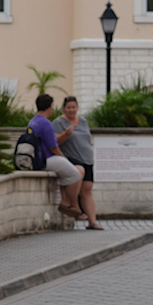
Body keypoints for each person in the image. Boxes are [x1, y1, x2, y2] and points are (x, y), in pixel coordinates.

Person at [30, 95, 84, 217]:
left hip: (36, 158)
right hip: (46, 159)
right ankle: (68, 203)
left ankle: (67, 202)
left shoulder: (33, 121)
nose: (53, 109)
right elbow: (53, 147)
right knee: (75, 173)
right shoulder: (46, 123)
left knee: (67, 171)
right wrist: (63, 158)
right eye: (52, 106)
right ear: (49, 107)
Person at [53, 97, 102, 230]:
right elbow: (55, 142)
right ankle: (73, 206)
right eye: (68, 107)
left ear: (77, 108)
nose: (71, 110)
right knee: (77, 176)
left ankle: (92, 222)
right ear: (64, 108)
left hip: (87, 158)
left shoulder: (83, 121)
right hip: (71, 157)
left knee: (87, 190)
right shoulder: (59, 122)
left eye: (73, 107)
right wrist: (66, 134)